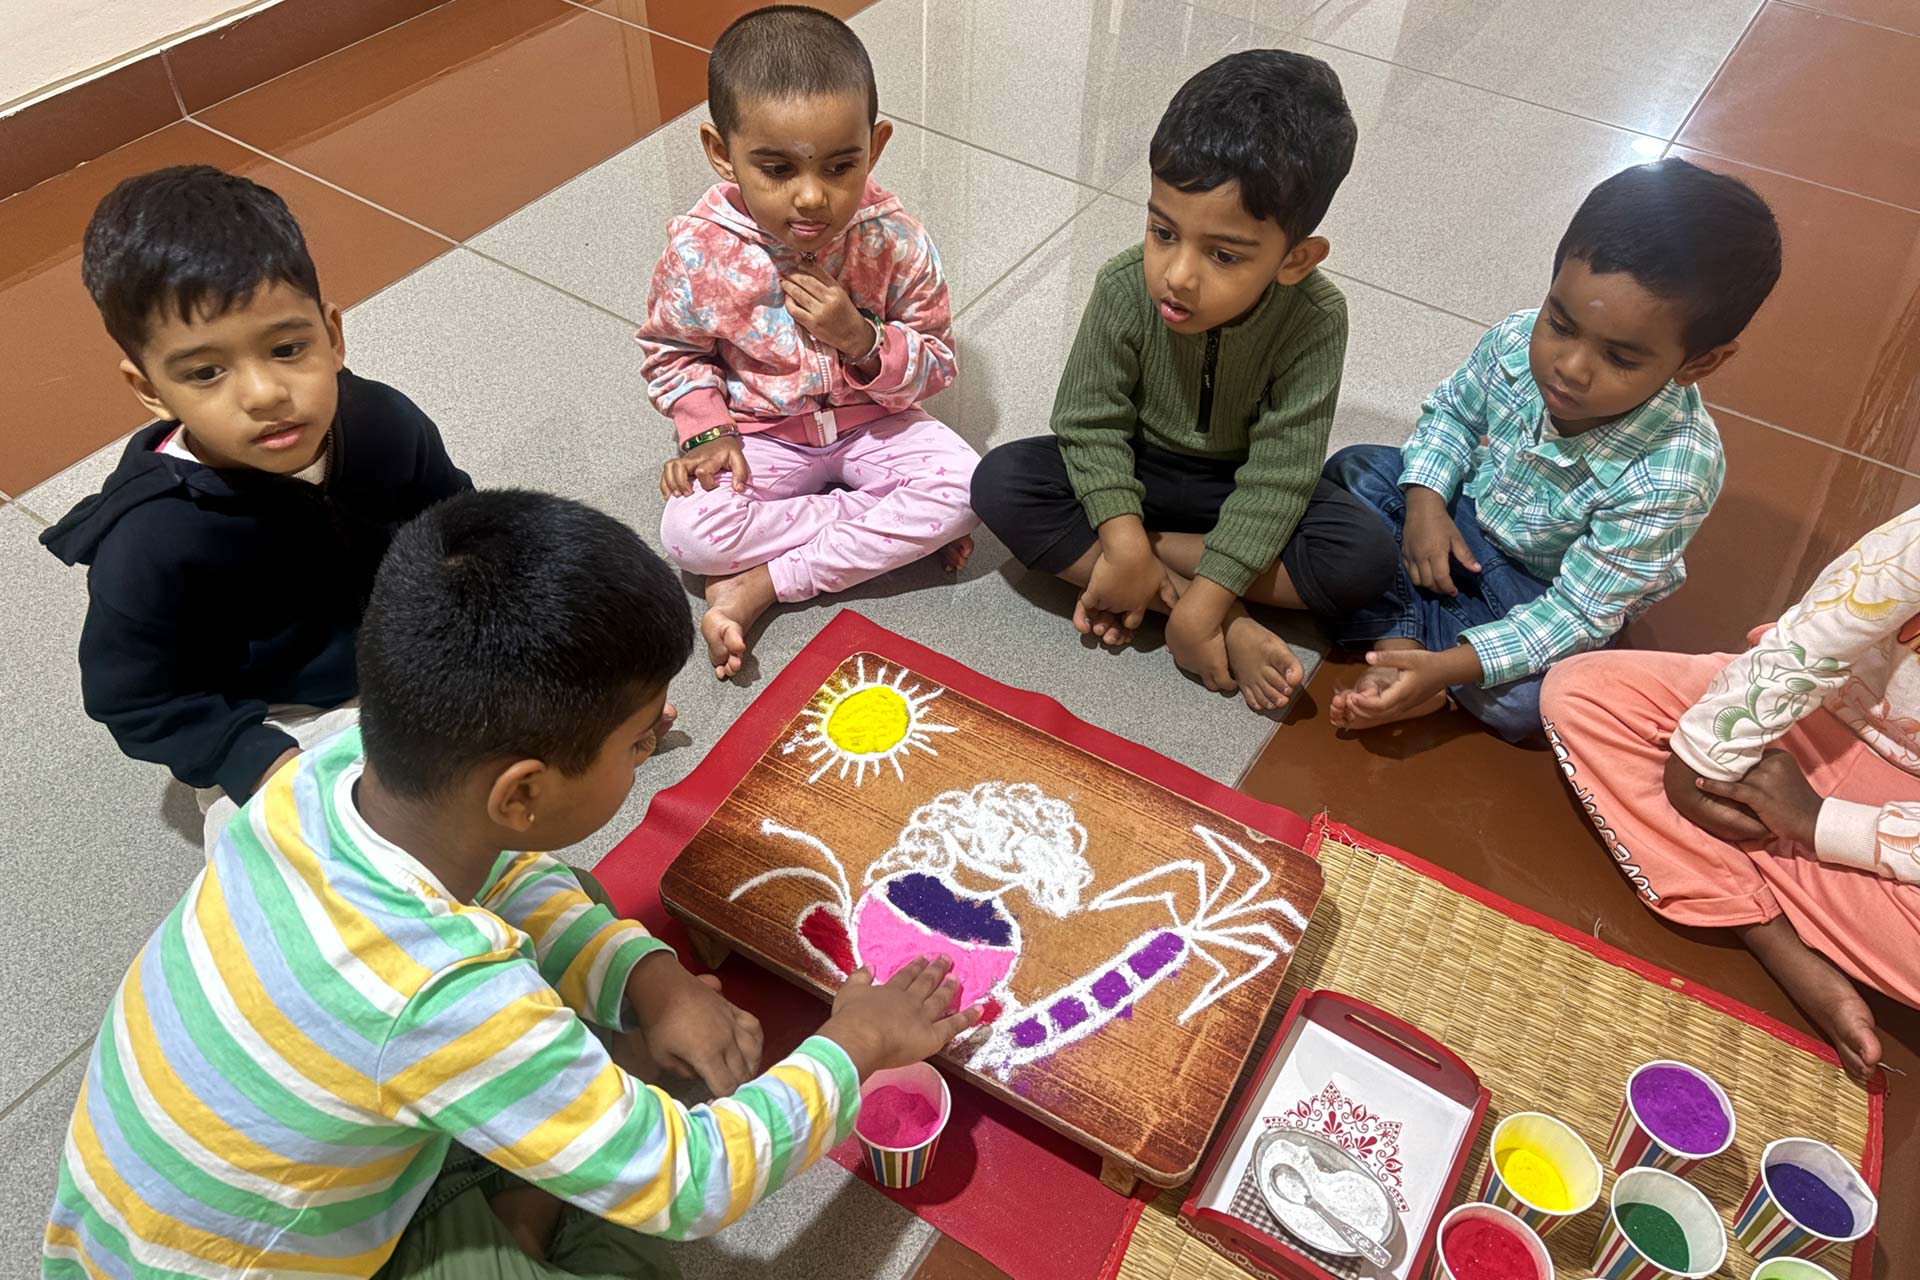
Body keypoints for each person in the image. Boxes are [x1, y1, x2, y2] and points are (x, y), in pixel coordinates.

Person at [42, 489, 982, 1278]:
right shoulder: (437, 992)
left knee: (565, 901)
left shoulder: (318, 768)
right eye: (639, 742)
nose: (650, 749)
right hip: (259, 1261)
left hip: (185, 1209)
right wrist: (855, 1042)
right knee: (629, 1252)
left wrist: (650, 979)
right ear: (522, 792)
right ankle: (525, 1213)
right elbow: (689, 1183)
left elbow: (512, 877)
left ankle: (535, 1164)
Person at [39, 165, 472, 847]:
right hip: (279, 718)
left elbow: (458, 526)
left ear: (333, 335)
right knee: (293, 856)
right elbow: (139, 697)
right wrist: (254, 758)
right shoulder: (149, 538)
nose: (265, 393)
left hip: (412, 650)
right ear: (150, 389)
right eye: (206, 372)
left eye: (287, 348)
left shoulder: (384, 420)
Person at [969, 50, 1394, 713]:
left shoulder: (1315, 318)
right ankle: (1214, 611)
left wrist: (1182, 583)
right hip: (1136, 468)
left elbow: (1281, 473)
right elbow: (1088, 422)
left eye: (1223, 254)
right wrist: (1135, 549)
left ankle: (1155, 579)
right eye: (1163, 232)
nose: (1178, 275)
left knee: (1363, 557)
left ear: (1295, 259)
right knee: (1002, 482)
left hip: (1238, 487)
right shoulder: (1121, 286)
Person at [1321, 158, 1781, 744]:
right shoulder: (1515, 338)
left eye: (1620, 358)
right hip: (1467, 521)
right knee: (1356, 469)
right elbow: (1452, 416)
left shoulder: (1675, 470)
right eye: (1560, 324)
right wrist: (1426, 504)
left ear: (1700, 362)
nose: (1570, 367)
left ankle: (1411, 648)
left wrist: (1455, 665)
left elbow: (1578, 611)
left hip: (1541, 590)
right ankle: (1408, 645)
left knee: (1532, 704)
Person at [640, 5, 979, 681]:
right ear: (721, 153)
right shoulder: (698, 251)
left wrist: (862, 341)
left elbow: (938, 360)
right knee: (689, 536)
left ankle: (766, 582)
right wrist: (706, 432)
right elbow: (673, 353)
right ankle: (883, 529)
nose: (811, 199)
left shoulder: (895, 239)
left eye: (840, 167)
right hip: (761, 437)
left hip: (875, 423)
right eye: (776, 169)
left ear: (874, 146)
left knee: (972, 489)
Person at [1542, 505, 1920, 1085]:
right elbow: (1817, 635)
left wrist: (1823, 824)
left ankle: (1727, 864)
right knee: (1583, 695)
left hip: (1888, 807)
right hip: (1811, 713)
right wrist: (1702, 759)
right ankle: (1770, 931)